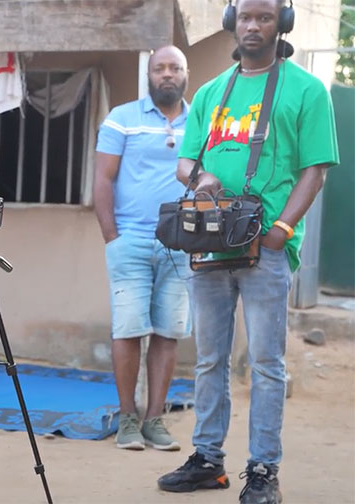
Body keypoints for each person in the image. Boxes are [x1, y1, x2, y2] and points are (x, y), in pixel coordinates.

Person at [157, 1, 339, 502]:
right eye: (245, 17)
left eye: (263, 17)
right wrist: (201, 176)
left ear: (281, 22)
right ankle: (208, 460)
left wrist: (281, 227)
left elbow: (315, 170)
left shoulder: (307, 90)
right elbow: (186, 160)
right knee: (211, 358)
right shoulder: (214, 91)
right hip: (210, 243)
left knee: (265, 363)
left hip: (267, 247)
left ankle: (263, 470)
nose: (253, 26)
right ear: (231, 22)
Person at [93, 45, 191, 452]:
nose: (166, 74)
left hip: (182, 243)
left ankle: (155, 419)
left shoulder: (199, 122)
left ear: (186, 73)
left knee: (168, 332)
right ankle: (128, 418)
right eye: (159, 68)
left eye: (174, 68)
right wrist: (112, 237)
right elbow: (102, 179)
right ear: (148, 76)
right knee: (129, 330)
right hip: (130, 240)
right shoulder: (122, 119)